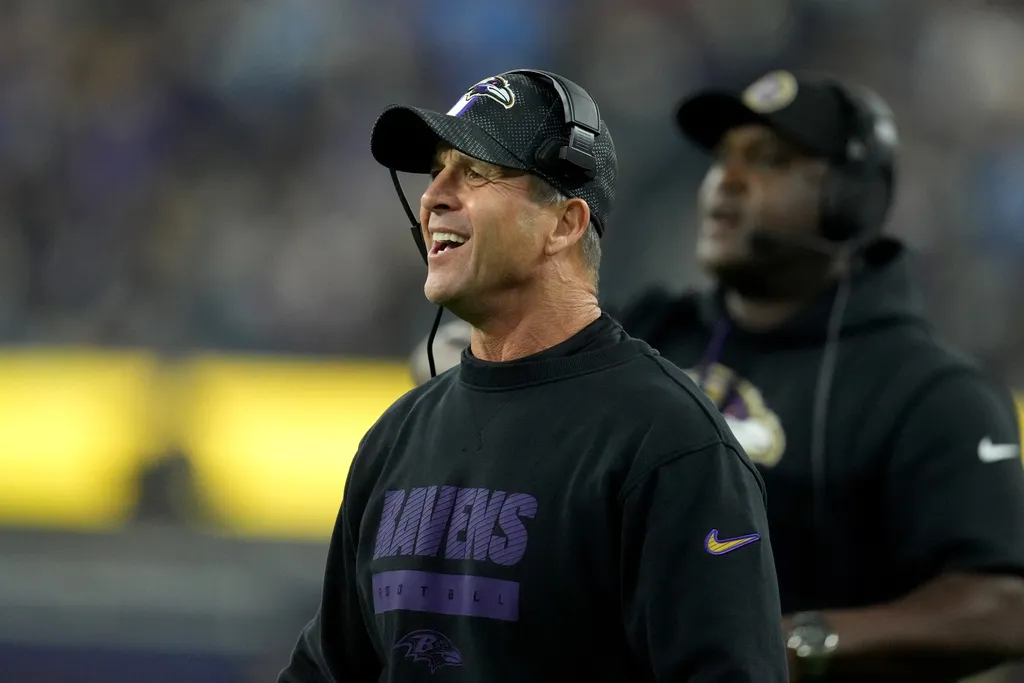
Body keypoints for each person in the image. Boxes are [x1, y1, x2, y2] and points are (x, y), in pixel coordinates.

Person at [410, 70, 1024, 683]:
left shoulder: (930, 394)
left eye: (768, 161)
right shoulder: (648, 332)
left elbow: (1004, 610)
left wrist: (796, 639)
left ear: (851, 199)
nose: (725, 182)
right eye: (722, 158)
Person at [279, 69, 788, 682]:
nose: (433, 195)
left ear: (566, 223)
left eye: (475, 171)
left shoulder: (668, 441)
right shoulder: (396, 438)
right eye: (436, 170)